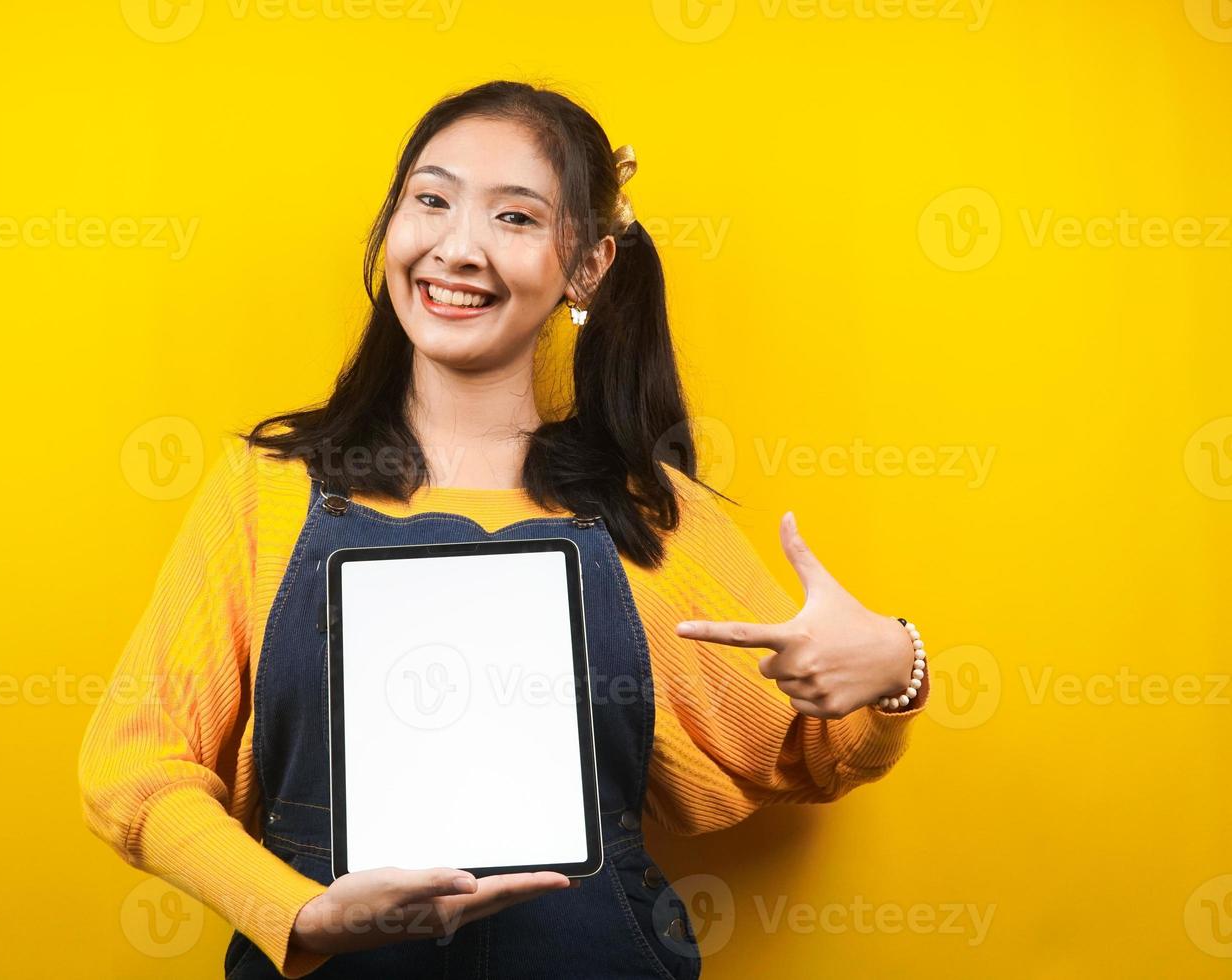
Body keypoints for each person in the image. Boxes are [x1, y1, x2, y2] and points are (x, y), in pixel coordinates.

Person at [78, 79, 931, 980]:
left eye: (515, 219)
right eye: (431, 200)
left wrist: (893, 662)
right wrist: (300, 914)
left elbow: (811, 752)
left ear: (589, 268)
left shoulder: (646, 513)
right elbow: (133, 769)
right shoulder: (267, 491)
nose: (457, 248)